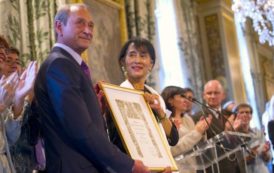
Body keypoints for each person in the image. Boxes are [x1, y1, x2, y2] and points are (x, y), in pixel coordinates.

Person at [34, 3, 149, 173]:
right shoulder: (59, 64)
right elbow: (80, 130)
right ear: (59, 26)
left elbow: (75, 119)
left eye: (91, 25)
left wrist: (97, 110)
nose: (88, 30)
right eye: (80, 23)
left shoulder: (70, 64)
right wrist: (128, 165)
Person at [0, 36, 37, 173]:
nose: (2, 53)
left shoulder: (5, 90)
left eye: (3, 50)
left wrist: (20, 99)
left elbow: (10, 138)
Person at [192, 80, 244, 173]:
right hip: (215, 167)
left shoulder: (231, 115)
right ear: (204, 96)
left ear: (223, 95)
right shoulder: (197, 117)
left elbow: (242, 141)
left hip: (236, 166)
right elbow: (200, 147)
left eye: (216, 93)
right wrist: (227, 132)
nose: (213, 96)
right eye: (209, 93)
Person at [161, 86, 212, 173]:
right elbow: (171, 150)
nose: (186, 100)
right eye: (182, 96)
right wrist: (197, 132)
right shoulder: (165, 122)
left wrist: (202, 129)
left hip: (193, 168)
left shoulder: (188, 119)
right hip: (178, 169)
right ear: (170, 100)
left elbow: (196, 146)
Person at [234, 103, 271, 173]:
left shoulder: (258, 132)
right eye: (241, 112)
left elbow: (268, 159)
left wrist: (265, 153)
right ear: (236, 116)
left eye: (247, 112)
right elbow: (235, 164)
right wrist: (252, 155)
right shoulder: (232, 136)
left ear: (251, 116)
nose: (245, 114)